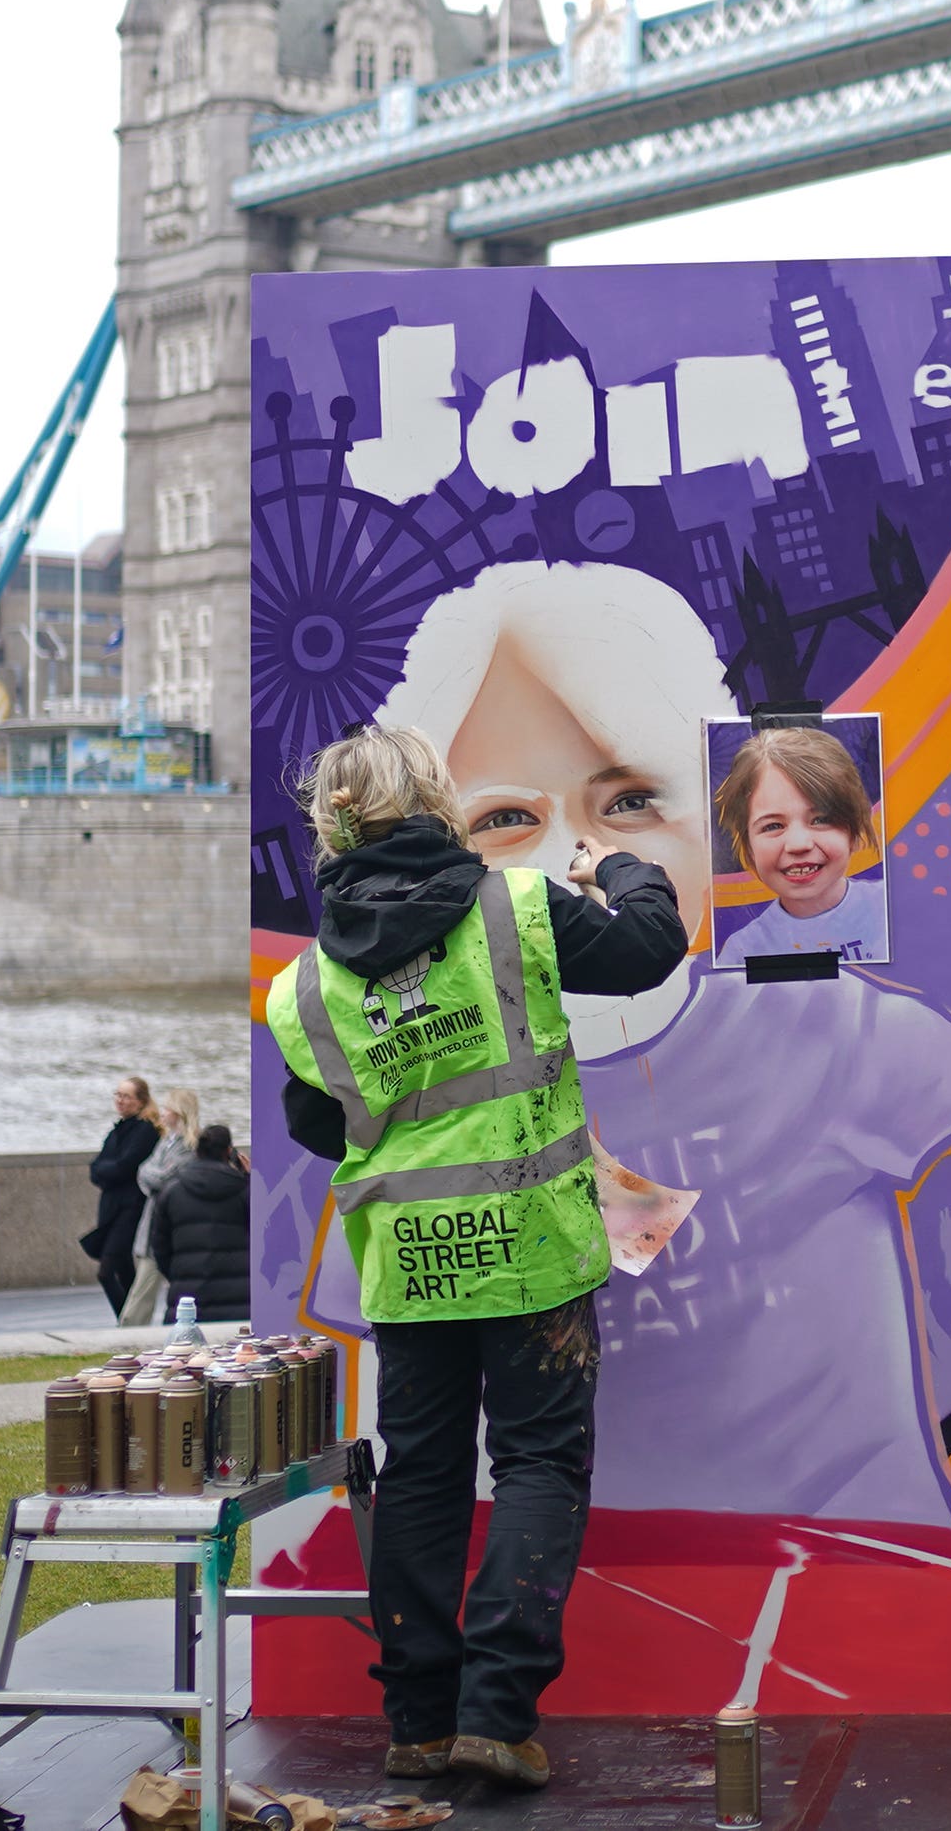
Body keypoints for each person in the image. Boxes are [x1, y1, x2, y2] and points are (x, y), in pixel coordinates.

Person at [383, 557, 951, 1534]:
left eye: (626, 804)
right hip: (600, 1579)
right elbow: (407, 1356)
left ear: (710, 836)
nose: (572, 857)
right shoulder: (450, 1080)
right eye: (503, 819)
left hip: (870, 1565)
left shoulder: (814, 1024)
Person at [273, 723, 678, 1791]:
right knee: (540, 1465)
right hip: (533, 1252)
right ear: (434, 803)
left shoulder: (305, 988)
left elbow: (319, 1123)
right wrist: (622, 866)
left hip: (411, 1269)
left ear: (332, 828)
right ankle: (496, 1714)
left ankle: (415, 1721)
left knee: (422, 1479)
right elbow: (647, 946)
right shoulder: (521, 906)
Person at [710, 726, 884, 964]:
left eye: (821, 820)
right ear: (748, 845)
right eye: (772, 826)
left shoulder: (894, 912)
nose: (798, 844)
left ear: (853, 830)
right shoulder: (742, 953)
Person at [144, 1122, 251, 1324]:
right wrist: (249, 1177)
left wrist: (178, 1274)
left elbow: (159, 1246)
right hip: (239, 1302)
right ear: (229, 1152)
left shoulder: (172, 1191)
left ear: (197, 1151)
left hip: (187, 1301)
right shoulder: (244, 1190)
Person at [118, 1086, 205, 1327]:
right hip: (154, 1223)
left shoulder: (190, 1146)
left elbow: (160, 1178)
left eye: (167, 1108)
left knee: (143, 1291)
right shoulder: (167, 1142)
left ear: (179, 1112)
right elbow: (145, 1171)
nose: (162, 1112)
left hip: (168, 1228)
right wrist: (149, 1174)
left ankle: (128, 1332)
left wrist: (149, 1174)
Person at [84, 1075, 160, 1316]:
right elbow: (96, 1168)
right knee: (124, 1268)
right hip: (112, 1209)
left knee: (107, 1271)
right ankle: (133, 1322)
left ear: (140, 1101)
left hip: (130, 1208)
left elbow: (123, 1166)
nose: (120, 1101)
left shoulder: (145, 1131)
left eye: (126, 1096)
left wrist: (105, 1170)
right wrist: (105, 1170)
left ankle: (126, 1323)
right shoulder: (118, 1129)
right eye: (117, 1095)